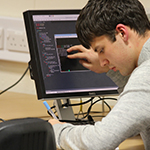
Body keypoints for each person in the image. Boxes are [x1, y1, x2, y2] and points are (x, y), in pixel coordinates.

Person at [49, 0, 150, 149]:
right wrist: (110, 66)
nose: (102, 62)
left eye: (101, 49)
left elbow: (97, 143)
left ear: (122, 32)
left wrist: (56, 130)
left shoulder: (145, 76)